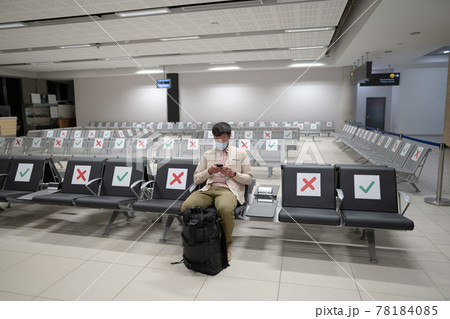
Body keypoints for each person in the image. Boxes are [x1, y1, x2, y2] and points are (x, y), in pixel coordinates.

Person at [181, 122, 253, 261]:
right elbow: (196, 179)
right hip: (208, 188)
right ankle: (192, 238)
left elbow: (249, 179)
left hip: (228, 189)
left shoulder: (241, 153)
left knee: (225, 209)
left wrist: (233, 174)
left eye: (223, 140)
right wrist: (209, 171)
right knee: (186, 206)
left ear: (230, 136)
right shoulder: (207, 154)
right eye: (217, 140)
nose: (220, 142)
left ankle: (226, 245)